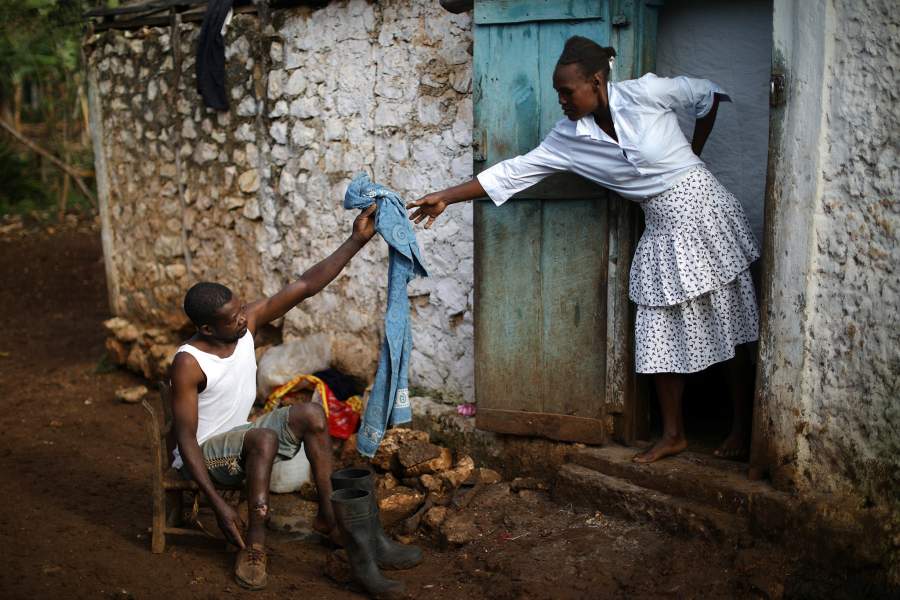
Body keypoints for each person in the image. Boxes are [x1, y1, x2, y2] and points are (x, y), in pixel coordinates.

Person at [407, 36, 760, 464]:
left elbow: (706, 94)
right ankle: (673, 434)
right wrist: (446, 195)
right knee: (656, 328)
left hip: (705, 211)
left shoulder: (645, 93)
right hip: (662, 223)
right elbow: (514, 172)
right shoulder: (568, 138)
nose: (561, 100)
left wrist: (694, 153)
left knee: (730, 322)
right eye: (557, 92)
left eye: (567, 91)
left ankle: (743, 426)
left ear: (595, 81)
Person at [169, 206, 377, 590]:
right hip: (203, 455)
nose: (243, 320)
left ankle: (331, 520)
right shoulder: (189, 363)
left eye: (240, 311)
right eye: (232, 319)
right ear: (205, 328)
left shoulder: (242, 325)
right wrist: (218, 505)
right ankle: (254, 546)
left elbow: (304, 285)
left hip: (242, 437)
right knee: (262, 437)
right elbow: (184, 441)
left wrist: (356, 240)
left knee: (311, 413)